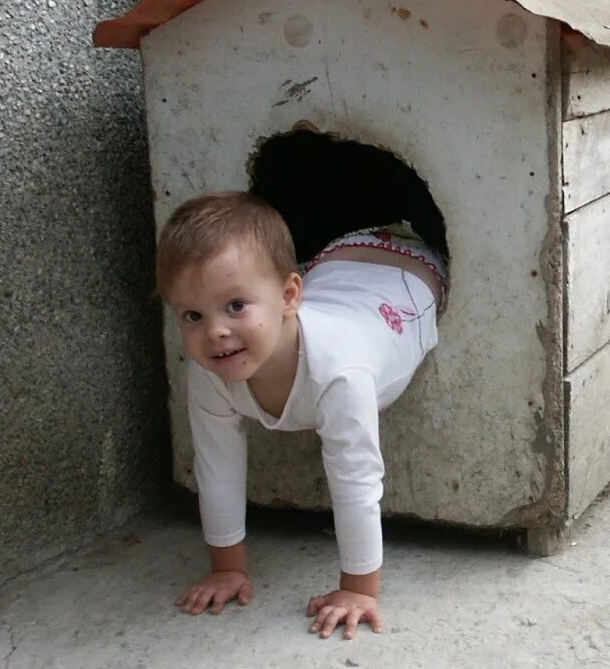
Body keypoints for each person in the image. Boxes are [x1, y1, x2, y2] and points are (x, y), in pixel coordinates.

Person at [156, 192, 447, 640]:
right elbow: (216, 467)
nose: (215, 331)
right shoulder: (213, 368)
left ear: (290, 295)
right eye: (192, 315)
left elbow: (357, 477)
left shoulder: (339, 372)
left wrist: (360, 589)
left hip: (412, 270)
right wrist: (226, 569)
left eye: (236, 306)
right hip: (340, 257)